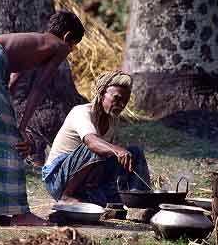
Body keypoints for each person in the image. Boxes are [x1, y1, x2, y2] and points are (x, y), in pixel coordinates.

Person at [0, 10, 85, 226]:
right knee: (13, 142)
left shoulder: (34, 41)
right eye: (74, 44)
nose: (71, 50)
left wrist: (11, 114)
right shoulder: (58, 46)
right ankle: (21, 213)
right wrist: (21, 128)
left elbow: (14, 77)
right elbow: (39, 87)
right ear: (67, 36)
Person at [42, 71, 151, 207]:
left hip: (88, 182)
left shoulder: (113, 120)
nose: (121, 105)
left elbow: (107, 160)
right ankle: (65, 196)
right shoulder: (81, 112)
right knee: (97, 147)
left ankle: (139, 200)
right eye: (117, 98)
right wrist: (116, 150)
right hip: (57, 178)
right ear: (101, 94)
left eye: (125, 100)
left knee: (135, 153)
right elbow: (91, 142)